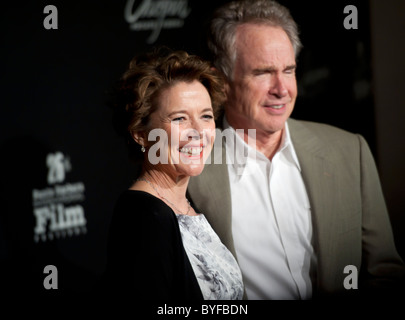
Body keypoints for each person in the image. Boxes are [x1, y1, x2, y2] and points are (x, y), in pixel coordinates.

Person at [187, 0, 405, 299]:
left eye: (288, 70)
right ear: (222, 82)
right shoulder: (188, 168)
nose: (282, 88)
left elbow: (385, 272)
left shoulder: (349, 151)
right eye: (263, 73)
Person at [104, 47, 243, 301]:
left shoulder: (186, 204)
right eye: (180, 119)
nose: (198, 131)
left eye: (206, 116)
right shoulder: (144, 217)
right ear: (141, 133)